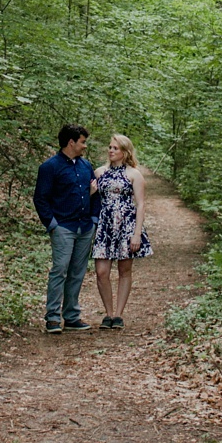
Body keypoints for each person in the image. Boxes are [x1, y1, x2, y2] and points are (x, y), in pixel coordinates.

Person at [33, 124, 96, 334]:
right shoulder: (50, 167)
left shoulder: (86, 166)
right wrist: (52, 225)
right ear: (71, 142)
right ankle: (52, 318)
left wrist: (94, 219)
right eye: (82, 142)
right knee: (60, 270)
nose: (84, 146)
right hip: (63, 227)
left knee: (77, 272)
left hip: (85, 226)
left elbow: (95, 193)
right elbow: (41, 198)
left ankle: (71, 316)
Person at [90, 133, 152, 329]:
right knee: (101, 272)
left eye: (115, 148)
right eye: (110, 147)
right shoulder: (99, 172)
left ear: (125, 152)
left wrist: (137, 233)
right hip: (105, 225)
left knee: (124, 270)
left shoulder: (134, 174)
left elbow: (140, 205)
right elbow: (89, 198)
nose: (111, 151)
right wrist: (91, 191)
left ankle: (118, 315)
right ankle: (107, 313)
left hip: (126, 225)